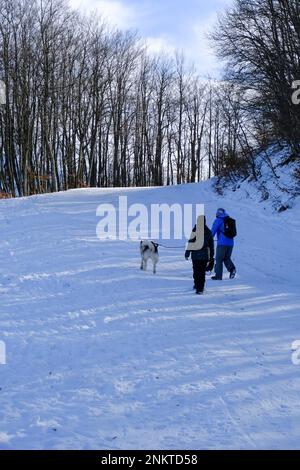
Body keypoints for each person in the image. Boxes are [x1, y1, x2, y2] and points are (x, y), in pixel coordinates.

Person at [185, 216, 214, 295]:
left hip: (195, 256)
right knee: (201, 272)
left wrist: (187, 253)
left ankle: (198, 286)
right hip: (204, 256)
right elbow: (211, 245)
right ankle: (200, 287)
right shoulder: (208, 231)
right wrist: (211, 256)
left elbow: (191, 242)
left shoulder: (195, 230)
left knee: (196, 271)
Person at [211, 208, 236, 280]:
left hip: (222, 243)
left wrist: (208, 240)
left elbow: (212, 232)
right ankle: (232, 269)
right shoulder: (229, 220)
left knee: (219, 259)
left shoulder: (218, 220)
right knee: (226, 258)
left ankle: (218, 276)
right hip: (231, 243)